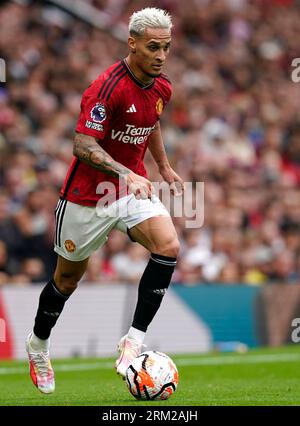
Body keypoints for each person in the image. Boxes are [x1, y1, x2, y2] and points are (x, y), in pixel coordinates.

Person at [25, 7, 184, 394]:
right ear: (132, 43)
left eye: (166, 47)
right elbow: (82, 144)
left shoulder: (161, 86)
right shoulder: (105, 88)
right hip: (86, 197)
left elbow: (151, 122)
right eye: (152, 47)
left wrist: (162, 165)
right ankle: (38, 344)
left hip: (130, 188)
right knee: (66, 280)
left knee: (169, 246)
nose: (161, 55)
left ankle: (132, 341)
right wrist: (123, 171)